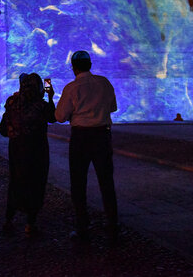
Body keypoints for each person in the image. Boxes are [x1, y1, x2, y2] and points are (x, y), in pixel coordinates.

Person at [55, 51, 118, 243]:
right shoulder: (104, 83)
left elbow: (60, 117)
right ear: (90, 64)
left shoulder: (72, 88)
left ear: (74, 68)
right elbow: (113, 107)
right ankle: (112, 223)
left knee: (78, 182)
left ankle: (83, 225)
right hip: (102, 135)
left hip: (81, 137)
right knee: (106, 181)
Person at [0, 73, 56, 236]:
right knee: (36, 185)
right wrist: (51, 97)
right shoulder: (41, 106)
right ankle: (30, 224)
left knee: (16, 183)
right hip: (37, 151)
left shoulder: (12, 103)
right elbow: (53, 118)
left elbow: (3, 130)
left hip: (17, 151)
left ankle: (9, 220)